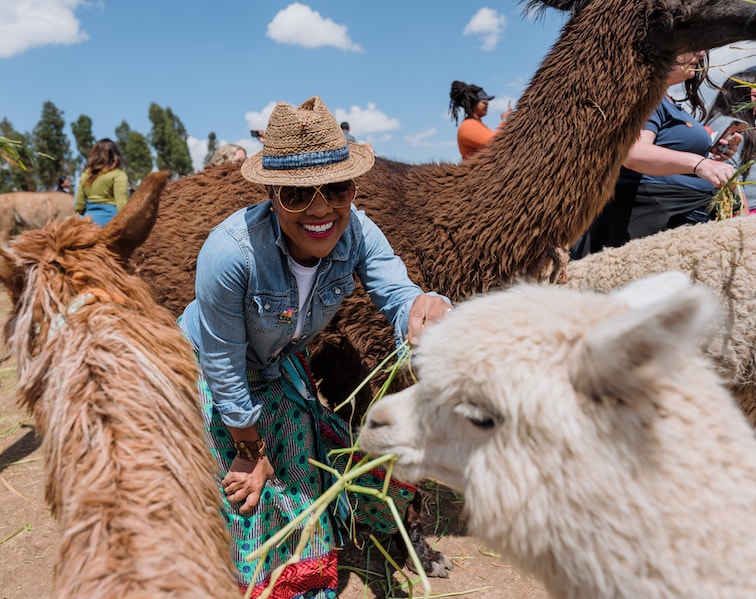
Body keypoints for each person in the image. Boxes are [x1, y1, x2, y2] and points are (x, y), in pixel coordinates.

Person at [179, 96, 452, 598]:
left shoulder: (359, 232)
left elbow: (398, 293)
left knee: (329, 465)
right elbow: (221, 361)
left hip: (278, 363)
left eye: (337, 187)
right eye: (298, 194)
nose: (322, 207)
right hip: (215, 372)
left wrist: (421, 309)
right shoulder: (230, 254)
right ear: (271, 193)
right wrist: (248, 450)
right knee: (251, 496)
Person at [578, 51, 742, 255]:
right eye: (694, 45)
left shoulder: (666, 101)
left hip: (681, 221)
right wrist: (700, 164)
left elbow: (666, 152)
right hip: (652, 224)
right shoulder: (644, 95)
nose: (701, 53)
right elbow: (633, 153)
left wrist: (712, 157)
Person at [704, 67, 756, 212]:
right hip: (744, 209)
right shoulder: (731, 125)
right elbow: (729, 173)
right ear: (739, 96)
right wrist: (743, 212)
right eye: (754, 96)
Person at [449, 80, 511, 160]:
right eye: (483, 102)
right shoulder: (468, 126)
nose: (487, 104)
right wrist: (505, 120)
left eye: (487, 102)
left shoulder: (476, 124)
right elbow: (495, 143)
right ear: (473, 104)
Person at [74, 138, 129, 226]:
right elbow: (122, 204)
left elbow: (79, 205)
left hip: (87, 222)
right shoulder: (118, 174)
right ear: (115, 155)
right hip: (110, 222)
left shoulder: (86, 175)